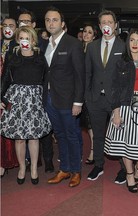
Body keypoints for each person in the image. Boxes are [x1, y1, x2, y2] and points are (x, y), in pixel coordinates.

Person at [105, 28, 138, 193]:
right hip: (125, 105)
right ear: (128, 43)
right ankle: (129, 174)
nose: (135, 44)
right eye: (132, 40)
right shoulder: (121, 62)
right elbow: (114, 88)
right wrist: (116, 112)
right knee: (125, 145)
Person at [0, 26, 52, 185]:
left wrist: (43, 102)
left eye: (27, 38)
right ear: (17, 40)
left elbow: (45, 80)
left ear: (33, 40)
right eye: (21, 38)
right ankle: (22, 168)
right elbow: (5, 79)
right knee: (20, 139)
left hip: (35, 101)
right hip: (17, 101)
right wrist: (1, 97)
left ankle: (34, 168)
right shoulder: (12, 55)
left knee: (34, 137)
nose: (24, 41)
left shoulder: (39, 56)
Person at [44, 6, 85, 188]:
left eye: (54, 20)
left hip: (68, 101)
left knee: (71, 135)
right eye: (47, 20)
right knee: (59, 135)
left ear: (62, 23)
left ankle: (76, 171)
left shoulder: (73, 43)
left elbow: (79, 75)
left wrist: (78, 101)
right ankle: (65, 169)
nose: (51, 23)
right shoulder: (44, 44)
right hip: (50, 99)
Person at [85, 10, 126, 183]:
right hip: (95, 99)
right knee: (98, 135)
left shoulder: (123, 46)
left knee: (121, 135)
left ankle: (125, 169)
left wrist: (122, 102)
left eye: (110, 22)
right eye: (104, 22)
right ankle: (99, 165)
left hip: (115, 100)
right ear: (100, 26)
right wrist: (87, 97)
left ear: (115, 25)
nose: (107, 25)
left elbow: (125, 76)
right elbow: (87, 73)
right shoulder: (92, 46)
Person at [17, 8, 54, 173]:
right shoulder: (13, 46)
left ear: (33, 24)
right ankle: (26, 164)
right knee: (21, 134)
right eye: (20, 22)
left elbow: (47, 74)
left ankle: (47, 160)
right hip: (18, 98)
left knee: (41, 131)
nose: (23, 24)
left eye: (26, 22)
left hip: (38, 96)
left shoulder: (43, 43)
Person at [1, 17, 19, 177]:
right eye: (4, 26)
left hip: (11, 94)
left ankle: (6, 161)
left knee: (8, 129)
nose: (7, 28)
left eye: (11, 26)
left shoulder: (19, 46)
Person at [80, 24, 97, 165]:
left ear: (94, 35)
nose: (86, 34)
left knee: (92, 124)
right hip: (79, 91)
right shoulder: (78, 49)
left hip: (92, 91)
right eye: (85, 31)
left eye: (89, 32)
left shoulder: (95, 50)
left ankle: (93, 151)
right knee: (85, 123)